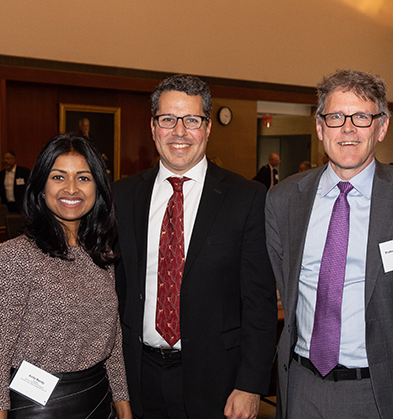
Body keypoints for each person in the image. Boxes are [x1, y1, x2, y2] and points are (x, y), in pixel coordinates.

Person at [266, 70, 393, 419]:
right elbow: (280, 281)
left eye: (362, 117)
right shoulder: (283, 199)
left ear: (382, 127)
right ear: (320, 127)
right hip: (302, 386)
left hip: (379, 391)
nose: (348, 128)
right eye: (335, 117)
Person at [112, 74, 277, 419]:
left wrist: (250, 385)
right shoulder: (123, 196)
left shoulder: (245, 198)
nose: (180, 132)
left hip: (217, 380)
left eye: (192, 120)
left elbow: (258, 302)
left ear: (208, 127)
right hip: (138, 376)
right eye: (168, 119)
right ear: (153, 126)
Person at [0, 134, 131, 419]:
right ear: (40, 186)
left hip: (99, 401)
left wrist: (124, 409)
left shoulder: (101, 255)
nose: (72, 188)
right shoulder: (16, 256)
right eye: (59, 177)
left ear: (98, 188)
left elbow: (113, 342)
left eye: (84, 178)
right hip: (38, 408)